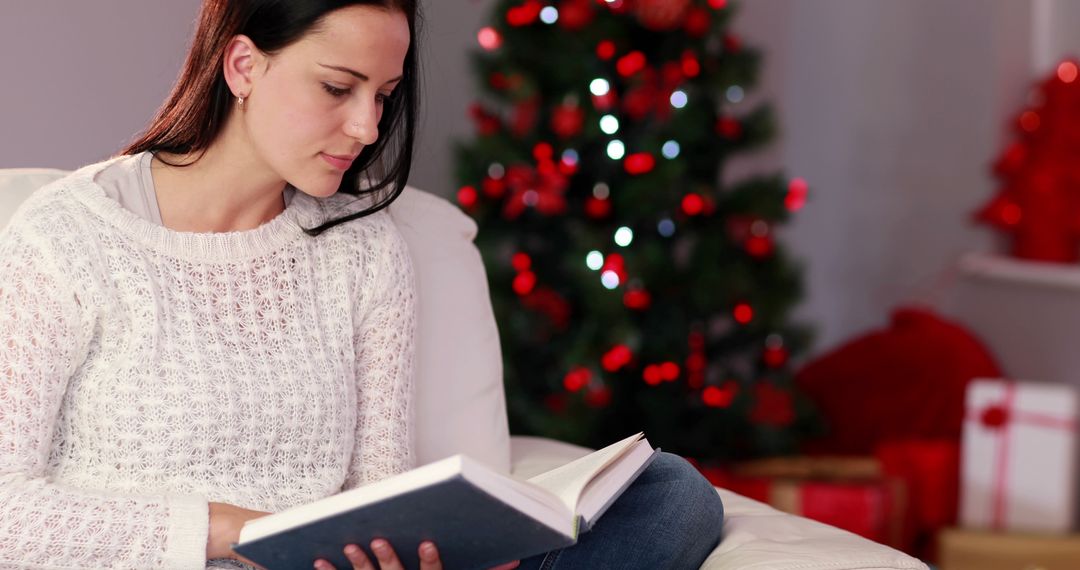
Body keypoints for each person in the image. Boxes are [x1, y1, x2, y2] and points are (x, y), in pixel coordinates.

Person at [0, 0, 724, 568]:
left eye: (383, 95)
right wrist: (227, 531)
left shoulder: (363, 247)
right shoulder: (67, 237)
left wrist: (404, 544)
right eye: (338, 88)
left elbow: (376, 488)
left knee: (670, 496)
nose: (368, 127)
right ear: (244, 66)